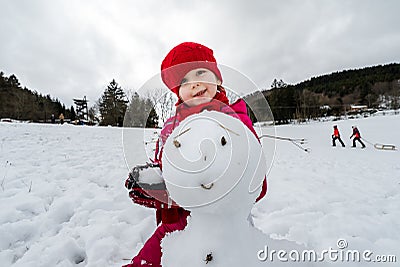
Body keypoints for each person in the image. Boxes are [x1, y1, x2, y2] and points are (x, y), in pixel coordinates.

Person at [123, 42, 267, 267]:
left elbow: (257, 185)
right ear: (177, 92)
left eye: (201, 72)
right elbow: (167, 172)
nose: (195, 83)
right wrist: (154, 188)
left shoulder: (235, 121)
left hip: (224, 227)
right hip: (176, 226)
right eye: (184, 81)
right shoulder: (170, 129)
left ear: (218, 78)